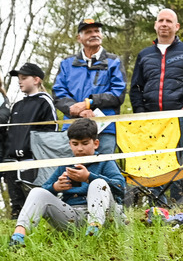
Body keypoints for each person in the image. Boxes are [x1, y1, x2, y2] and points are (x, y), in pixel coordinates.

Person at [8, 118, 125, 248]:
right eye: (75, 144)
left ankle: (94, 233)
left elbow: (120, 187)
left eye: (85, 143)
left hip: (107, 216)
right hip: (72, 217)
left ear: (96, 143)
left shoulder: (105, 161)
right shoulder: (66, 165)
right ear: (70, 144)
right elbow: (44, 189)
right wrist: (55, 187)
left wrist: (88, 177)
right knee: (37, 192)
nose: (80, 148)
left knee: (97, 183)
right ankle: (18, 237)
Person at [128, 8, 183, 204]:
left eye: (169, 21)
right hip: (150, 118)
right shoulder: (144, 55)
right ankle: (156, 205)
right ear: (155, 25)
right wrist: (141, 113)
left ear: (176, 26)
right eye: (161, 20)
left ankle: (179, 204)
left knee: (178, 158)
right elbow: (135, 88)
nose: (164, 24)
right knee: (154, 160)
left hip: (179, 117)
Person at [51, 18, 126, 157]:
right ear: (79, 38)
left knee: (104, 171)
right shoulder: (66, 63)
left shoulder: (113, 61)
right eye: (88, 32)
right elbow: (58, 93)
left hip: (104, 129)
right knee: (72, 172)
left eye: (97, 31)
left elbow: (118, 93)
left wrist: (88, 103)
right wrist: (78, 110)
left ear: (102, 35)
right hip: (73, 128)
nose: (94, 34)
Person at [2, 63, 58, 218]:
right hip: (13, 163)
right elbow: (11, 133)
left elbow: (51, 131)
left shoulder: (44, 101)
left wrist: (39, 155)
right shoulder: (17, 105)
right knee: (17, 206)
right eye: (18, 78)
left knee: (34, 201)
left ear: (36, 80)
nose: (20, 81)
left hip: (33, 161)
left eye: (24, 78)